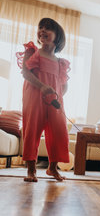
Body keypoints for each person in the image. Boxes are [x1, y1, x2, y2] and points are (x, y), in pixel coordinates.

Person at [16, 17, 70, 182]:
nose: (43, 30)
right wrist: (42, 87)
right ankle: (31, 170)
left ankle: (52, 168)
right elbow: (26, 73)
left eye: (48, 28)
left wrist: (59, 95)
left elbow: (64, 84)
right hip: (34, 96)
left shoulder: (61, 62)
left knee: (59, 131)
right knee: (32, 130)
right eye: (41, 27)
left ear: (57, 36)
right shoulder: (33, 52)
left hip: (54, 101)